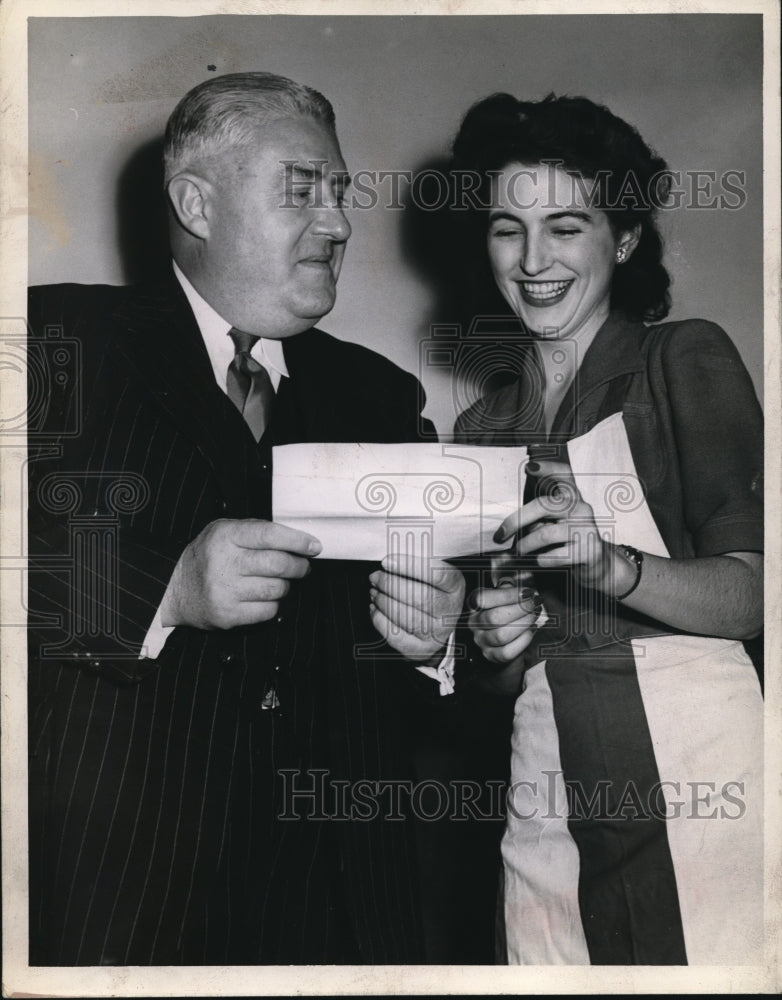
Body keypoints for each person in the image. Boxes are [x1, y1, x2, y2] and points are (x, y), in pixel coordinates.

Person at [26, 71, 464, 966]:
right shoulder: (51, 342)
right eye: (303, 190)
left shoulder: (380, 396)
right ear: (196, 201)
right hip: (121, 903)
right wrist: (165, 590)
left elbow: (421, 671)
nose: (339, 223)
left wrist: (434, 642)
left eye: (340, 193)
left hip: (340, 911)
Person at [449, 94, 764, 965]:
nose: (534, 259)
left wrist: (615, 567)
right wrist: (494, 643)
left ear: (623, 240)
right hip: (548, 770)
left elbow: (752, 595)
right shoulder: (477, 432)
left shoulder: (682, 359)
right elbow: (498, 685)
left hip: (700, 756)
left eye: (566, 226)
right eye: (508, 229)